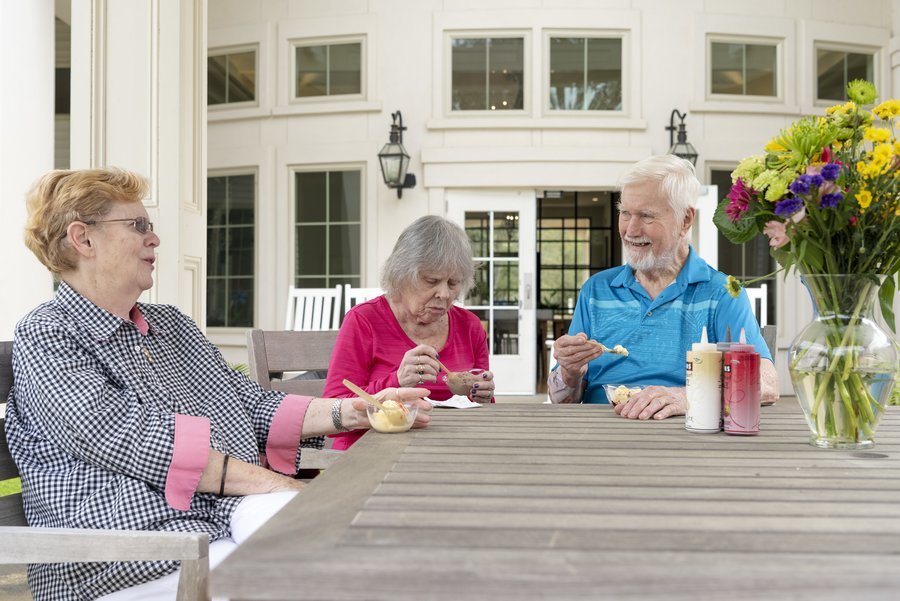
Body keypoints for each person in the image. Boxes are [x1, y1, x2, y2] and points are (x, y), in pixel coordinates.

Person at [4, 167, 432, 601]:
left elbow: (248, 402)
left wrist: (358, 411)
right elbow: (139, 443)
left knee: (355, 543)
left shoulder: (170, 326)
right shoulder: (50, 334)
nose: (154, 239)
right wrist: (278, 484)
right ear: (83, 239)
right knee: (313, 575)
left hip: (218, 517)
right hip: (129, 554)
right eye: (138, 226)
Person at [548, 155, 778, 417]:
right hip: (598, 430)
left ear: (685, 220)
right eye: (625, 213)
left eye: (647, 216)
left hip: (684, 431)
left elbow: (768, 384)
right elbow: (561, 400)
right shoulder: (595, 291)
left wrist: (687, 397)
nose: (631, 230)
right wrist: (569, 372)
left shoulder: (721, 293)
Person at [323, 215, 494, 449]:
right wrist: (397, 381)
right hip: (370, 452)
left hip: (450, 450)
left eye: (453, 283)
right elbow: (332, 411)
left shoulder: (470, 326)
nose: (444, 294)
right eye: (431, 281)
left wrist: (482, 396)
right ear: (402, 275)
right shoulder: (364, 321)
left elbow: (485, 409)